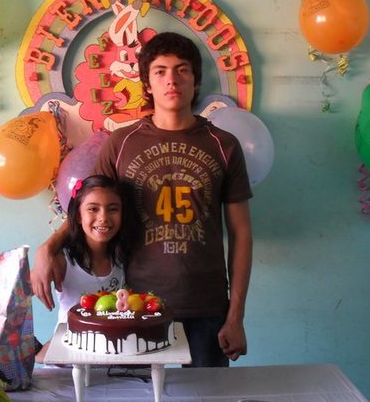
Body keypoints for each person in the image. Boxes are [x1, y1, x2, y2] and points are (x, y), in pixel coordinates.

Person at [32, 32, 254, 367]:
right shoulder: (121, 143)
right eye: (160, 71)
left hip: (206, 305)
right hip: (132, 303)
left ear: (196, 80)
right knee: (135, 392)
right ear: (147, 84)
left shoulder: (223, 145)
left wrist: (236, 316)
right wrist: (48, 248)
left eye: (182, 70)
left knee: (209, 392)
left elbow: (241, 234)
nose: (172, 80)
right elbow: (89, 209)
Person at [35, 174, 132, 363]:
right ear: (79, 215)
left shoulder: (121, 259)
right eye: (93, 209)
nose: (103, 217)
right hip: (66, 368)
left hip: (106, 366)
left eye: (113, 209)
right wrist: (35, 351)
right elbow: (15, 297)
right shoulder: (63, 261)